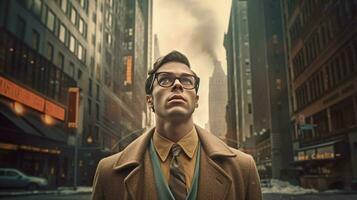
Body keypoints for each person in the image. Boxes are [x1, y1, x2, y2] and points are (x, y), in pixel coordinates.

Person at [91, 50, 262, 200]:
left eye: (187, 80)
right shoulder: (108, 173)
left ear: (196, 100)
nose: (177, 84)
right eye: (165, 79)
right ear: (149, 101)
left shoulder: (243, 169)